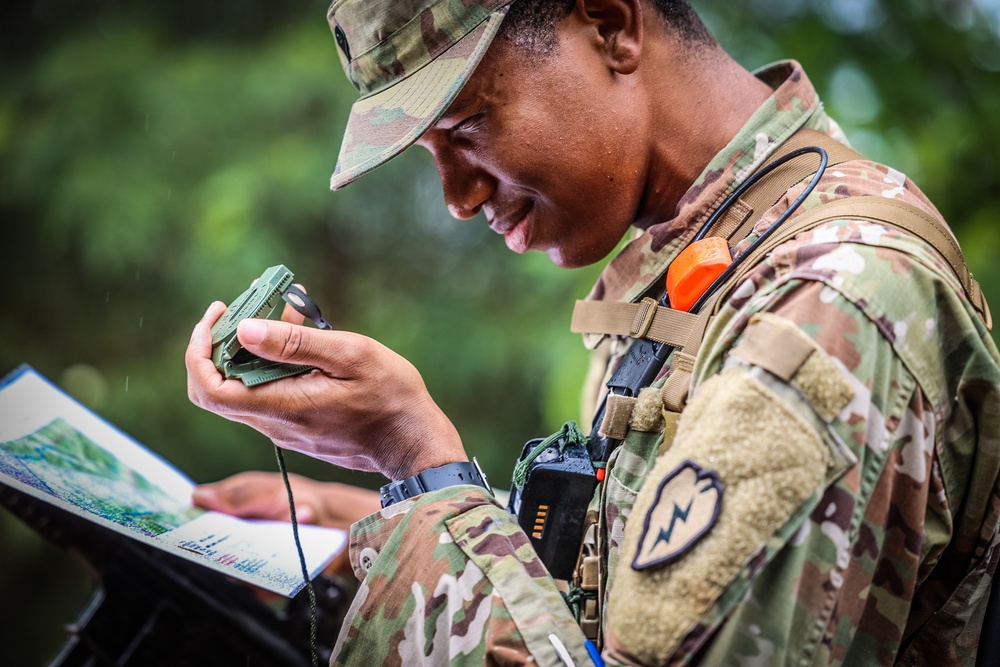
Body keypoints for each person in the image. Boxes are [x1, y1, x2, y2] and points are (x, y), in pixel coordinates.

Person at [186, 0, 1000, 664]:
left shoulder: (825, 301)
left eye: (467, 128)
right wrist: (373, 516)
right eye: (431, 154)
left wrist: (418, 460)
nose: (457, 197)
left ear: (611, 26)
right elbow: (623, 601)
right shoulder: (706, 259)